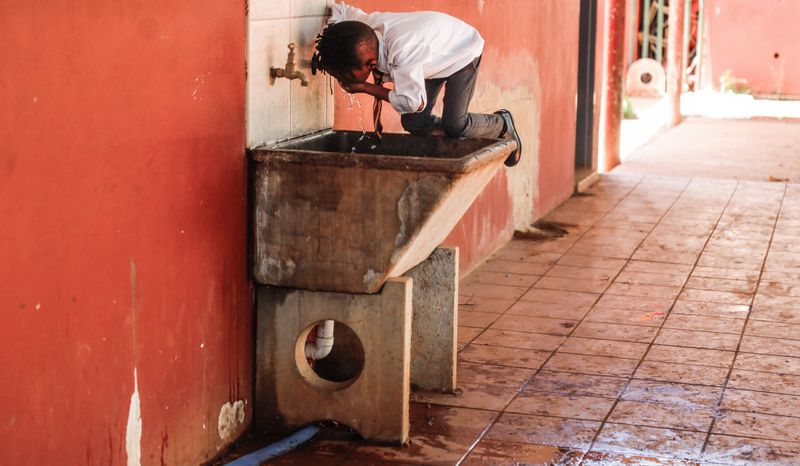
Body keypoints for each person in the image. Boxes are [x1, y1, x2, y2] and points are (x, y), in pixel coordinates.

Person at [312, 1, 522, 167]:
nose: (344, 80)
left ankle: (501, 122)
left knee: (456, 124)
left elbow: (413, 102)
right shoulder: (364, 29)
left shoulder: (402, 52)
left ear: (371, 63)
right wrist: (333, 44)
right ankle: (454, 139)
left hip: (462, 53)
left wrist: (365, 88)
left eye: (347, 75)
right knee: (414, 123)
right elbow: (339, 9)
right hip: (430, 57)